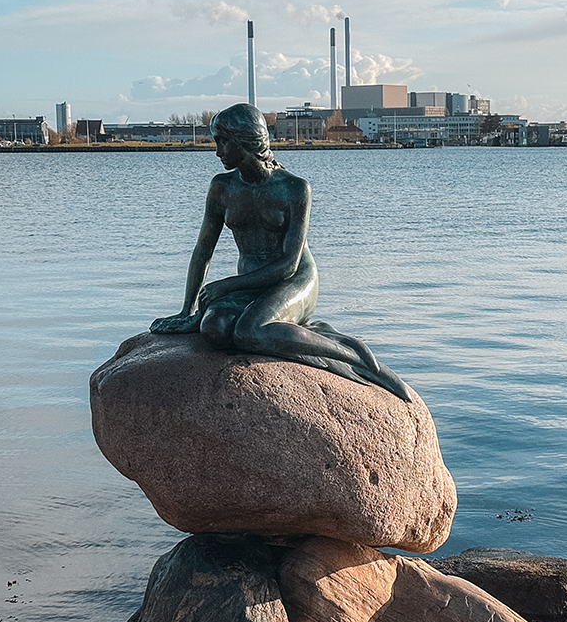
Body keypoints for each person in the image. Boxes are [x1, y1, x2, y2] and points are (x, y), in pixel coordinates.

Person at [150, 103, 410, 401]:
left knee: (250, 330)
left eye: (223, 141)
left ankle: (352, 354)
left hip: (294, 280)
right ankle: (298, 332)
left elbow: (288, 265)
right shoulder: (221, 187)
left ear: (245, 139)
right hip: (251, 283)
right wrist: (187, 311)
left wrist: (226, 286)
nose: (217, 151)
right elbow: (202, 251)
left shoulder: (295, 188)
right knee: (214, 329)